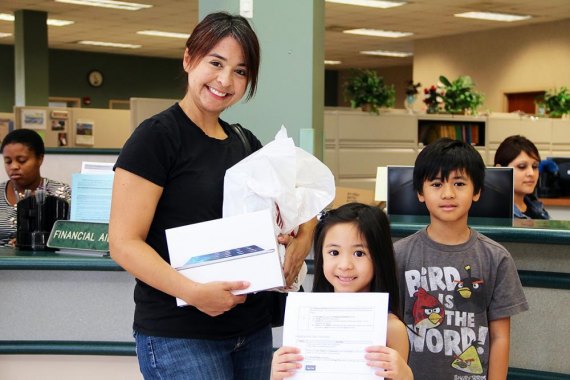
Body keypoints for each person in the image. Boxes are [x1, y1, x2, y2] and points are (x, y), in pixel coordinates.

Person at [108, 12, 315, 380]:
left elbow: (296, 204)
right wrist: (194, 291)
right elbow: (123, 243)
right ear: (189, 59)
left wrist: (298, 239)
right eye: (215, 63)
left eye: (240, 71)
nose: (225, 80)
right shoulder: (156, 137)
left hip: (251, 330)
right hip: (181, 334)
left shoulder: (243, 141)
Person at [394, 138, 529, 379]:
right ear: (420, 193)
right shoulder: (400, 255)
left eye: (459, 183)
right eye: (436, 184)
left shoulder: (496, 258)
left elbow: (500, 338)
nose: (448, 193)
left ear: (476, 192)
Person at [271, 203, 413, 380]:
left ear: (379, 256)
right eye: (334, 252)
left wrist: (405, 375)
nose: (345, 265)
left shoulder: (391, 328)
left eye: (359, 253)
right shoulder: (305, 321)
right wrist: (277, 374)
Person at [0, 129, 71, 246]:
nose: (14, 166)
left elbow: (74, 237)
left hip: (47, 261)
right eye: (8, 161)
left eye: (21, 160)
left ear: (40, 159)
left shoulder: (63, 193)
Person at [494, 135, 550, 219]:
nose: (531, 173)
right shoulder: (495, 215)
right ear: (500, 170)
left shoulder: (538, 208)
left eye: (535, 166)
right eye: (522, 166)